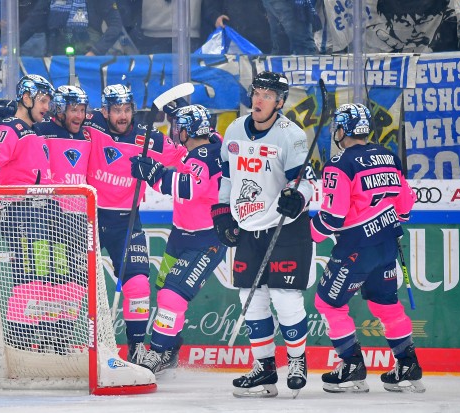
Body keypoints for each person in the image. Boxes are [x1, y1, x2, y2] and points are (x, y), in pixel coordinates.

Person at [211, 71, 314, 398]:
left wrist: (297, 197)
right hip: (248, 228)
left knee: (285, 298)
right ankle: (264, 369)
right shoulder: (235, 129)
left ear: (280, 102)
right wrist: (222, 210)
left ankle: (297, 360)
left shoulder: (292, 135)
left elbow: (306, 183)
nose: (259, 99)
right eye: (257, 92)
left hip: (285, 227)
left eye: (268, 95)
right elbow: (227, 175)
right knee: (250, 299)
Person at [311, 103, 425, 393]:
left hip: (356, 249)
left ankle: (351, 366)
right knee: (385, 304)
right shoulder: (388, 156)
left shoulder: (340, 163)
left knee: (328, 303)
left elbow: (333, 218)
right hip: (387, 244)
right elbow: (406, 205)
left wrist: (308, 234)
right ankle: (408, 365)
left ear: (341, 130)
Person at [84, 84, 187, 364]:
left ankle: (137, 348)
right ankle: (73, 346)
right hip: (86, 216)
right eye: (116, 110)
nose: (122, 116)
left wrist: (190, 123)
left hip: (126, 219)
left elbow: (186, 153)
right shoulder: (89, 125)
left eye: (127, 109)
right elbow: (54, 126)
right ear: (104, 110)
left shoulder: (147, 138)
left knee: (139, 284)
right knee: (75, 284)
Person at [129, 104, 225, 374]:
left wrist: (154, 174)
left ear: (186, 132)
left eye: (177, 127)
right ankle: (169, 348)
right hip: (180, 234)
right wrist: (181, 114)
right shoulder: (213, 142)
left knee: (172, 295)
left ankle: (158, 352)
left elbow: (188, 187)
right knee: (165, 292)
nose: (174, 132)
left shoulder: (202, 157)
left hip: (206, 240)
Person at [0, 74, 55, 351]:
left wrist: (14, 114)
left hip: (45, 216)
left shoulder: (32, 128)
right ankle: (19, 346)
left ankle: (49, 341)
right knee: (28, 279)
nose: (46, 106)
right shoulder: (11, 128)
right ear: (26, 99)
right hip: (20, 214)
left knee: (47, 280)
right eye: (41, 100)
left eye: (48, 101)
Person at [33, 85, 91, 354]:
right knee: (46, 279)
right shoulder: (41, 131)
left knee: (75, 281)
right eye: (73, 109)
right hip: (47, 217)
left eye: (82, 109)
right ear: (59, 109)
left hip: (80, 218)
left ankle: (63, 337)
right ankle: (45, 336)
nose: (79, 115)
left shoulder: (89, 133)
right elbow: (14, 139)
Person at [47, 0, 123, 56]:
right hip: (57, 51)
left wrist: (96, 51)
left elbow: (116, 25)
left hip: (88, 51)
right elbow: (40, 19)